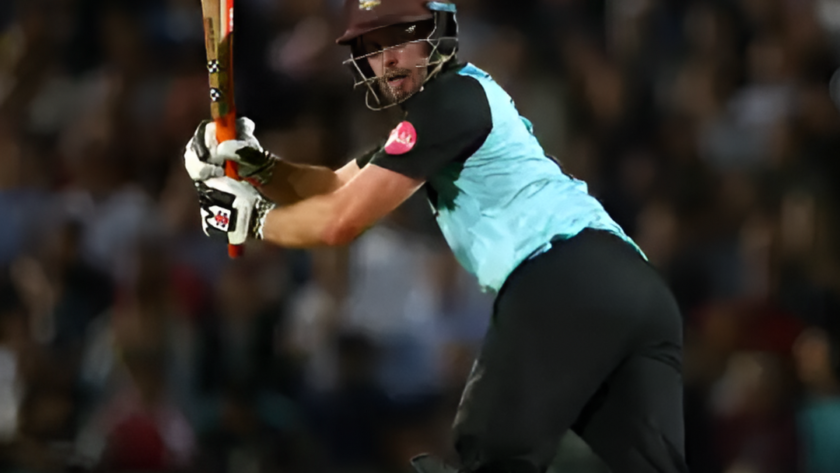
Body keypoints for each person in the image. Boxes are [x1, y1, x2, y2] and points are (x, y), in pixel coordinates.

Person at [183, 1, 688, 472]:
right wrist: (253, 163)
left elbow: (340, 221)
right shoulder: (443, 114)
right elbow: (332, 184)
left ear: (438, 35)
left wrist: (252, 220)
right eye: (373, 46)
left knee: (487, 445)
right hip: (635, 290)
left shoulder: (451, 101)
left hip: (563, 277)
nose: (388, 58)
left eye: (402, 36)